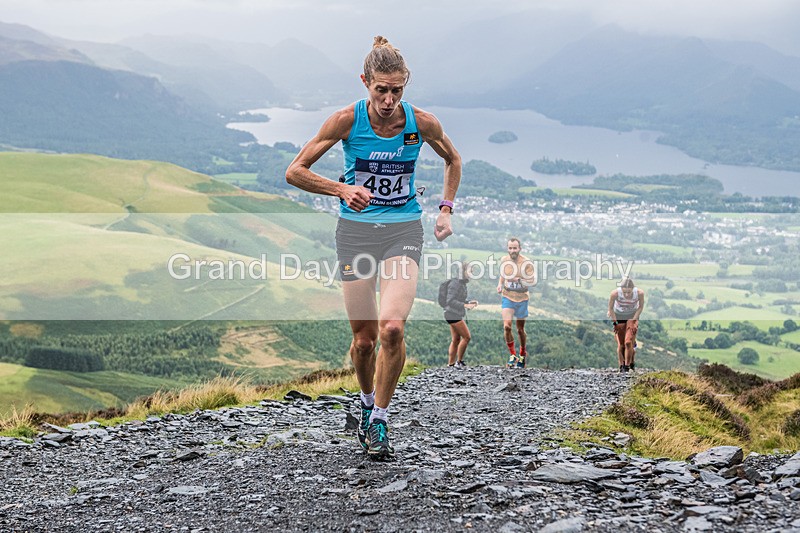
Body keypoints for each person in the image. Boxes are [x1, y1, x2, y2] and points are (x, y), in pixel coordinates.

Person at [285, 36, 462, 460]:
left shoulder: (423, 124)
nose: (387, 99)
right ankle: (365, 405)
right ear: (365, 82)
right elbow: (294, 171)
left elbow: (453, 160)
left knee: (392, 328)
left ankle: (380, 418)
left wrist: (445, 209)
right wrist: (341, 188)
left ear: (406, 85)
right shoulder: (346, 120)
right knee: (364, 342)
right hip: (356, 234)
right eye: (380, 89)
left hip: (402, 230)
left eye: (396, 90)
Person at [496, 238, 536, 368]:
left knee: (520, 330)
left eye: (515, 248)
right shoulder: (504, 260)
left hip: (522, 298)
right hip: (507, 296)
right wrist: (500, 284)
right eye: (510, 248)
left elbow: (533, 281)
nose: (512, 251)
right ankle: (512, 355)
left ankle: (522, 353)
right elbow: (503, 274)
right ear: (507, 249)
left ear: (520, 249)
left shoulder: (526, 263)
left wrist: (518, 280)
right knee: (507, 326)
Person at [608, 277, 645, 373]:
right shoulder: (615, 293)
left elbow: (640, 307)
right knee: (621, 344)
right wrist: (615, 323)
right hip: (619, 315)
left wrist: (634, 320)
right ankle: (621, 366)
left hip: (632, 315)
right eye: (625, 293)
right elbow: (611, 309)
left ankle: (626, 366)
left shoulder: (639, 293)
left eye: (629, 292)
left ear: (633, 289)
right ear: (621, 290)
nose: (627, 295)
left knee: (628, 342)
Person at [444, 262, 478, 367]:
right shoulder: (456, 284)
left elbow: (459, 299)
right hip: (452, 314)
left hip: (453, 314)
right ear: (463, 271)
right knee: (467, 337)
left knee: (456, 339)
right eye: (470, 271)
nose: (471, 274)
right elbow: (450, 301)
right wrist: (464, 305)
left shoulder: (462, 283)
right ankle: (459, 362)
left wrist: (468, 302)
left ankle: (451, 364)